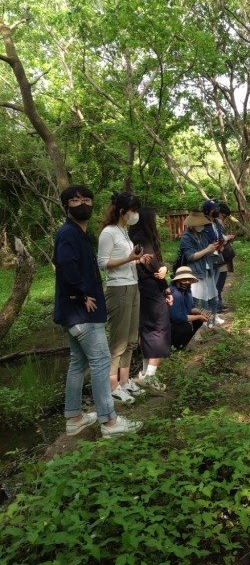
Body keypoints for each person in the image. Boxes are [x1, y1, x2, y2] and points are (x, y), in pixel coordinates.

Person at [53, 185, 142, 438]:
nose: (82, 203)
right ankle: (110, 422)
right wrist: (80, 295)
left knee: (78, 362)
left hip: (74, 311)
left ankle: (74, 418)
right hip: (81, 312)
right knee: (102, 362)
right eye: (75, 200)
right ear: (66, 206)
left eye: (87, 199)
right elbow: (64, 265)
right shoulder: (69, 234)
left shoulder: (79, 233)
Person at [97, 191, 152, 404]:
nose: (135, 214)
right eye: (133, 211)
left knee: (131, 340)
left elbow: (125, 259)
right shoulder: (108, 232)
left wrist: (136, 260)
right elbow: (103, 263)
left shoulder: (124, 230)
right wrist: (129, 258)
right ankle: (112, 387)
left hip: (132, 285)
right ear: (122, 211)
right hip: (118, 289)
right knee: (118, 342)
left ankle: (124, 381)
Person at [128, 207, 169, 393]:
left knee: (147, 328)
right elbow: (153, 265)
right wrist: (165, 285)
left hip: (140, 287)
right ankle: (150, 375)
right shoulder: (144, 239)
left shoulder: (132, 237)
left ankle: (145, 373)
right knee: (159, 328)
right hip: (150, 288)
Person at [179, 210, 222, 326]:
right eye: (200, 224)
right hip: (195, 272)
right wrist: (207, 250)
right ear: (193, 225)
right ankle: (202, 324)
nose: (202, 226)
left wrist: (214, 249)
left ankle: (212, 320)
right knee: (200, 300)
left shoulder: (202, 235)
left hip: (208, 269)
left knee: (213, 296)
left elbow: (207, 250)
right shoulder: (186, 238)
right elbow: (190, 256)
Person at [169, 266, 209, 349]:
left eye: (189, 279)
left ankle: (185, 342)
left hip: (178, 320)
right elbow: (178, 318)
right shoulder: (174, 293)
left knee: (198, 320)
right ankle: (176, 346)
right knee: (185, 327)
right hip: (168, 325)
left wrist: (199, 312)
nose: (187, 282)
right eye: (184, 279)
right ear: (177, 280)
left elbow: (190, 307)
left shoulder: (187, 290)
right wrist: (198, 316)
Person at [215, 202, 236, 311]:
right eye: (224, 216)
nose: (224, 218)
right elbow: (218, 240)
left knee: (219, 280)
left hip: (219, 257)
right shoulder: (216, 223)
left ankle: (219, 304)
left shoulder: (216, 222)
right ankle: (217, 306)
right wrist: (227, 238)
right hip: (218, 257)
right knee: (219, 281)